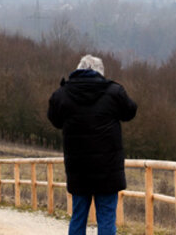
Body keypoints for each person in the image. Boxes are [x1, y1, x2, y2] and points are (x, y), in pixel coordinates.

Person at [48, 54, 137, 235]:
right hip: (108, 169)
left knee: (78, 216)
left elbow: (55, 120)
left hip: (78, 169)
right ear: (100, 73)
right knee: (106, 219)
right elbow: (130, 111)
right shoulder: (114, 92)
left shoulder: (62, 95)